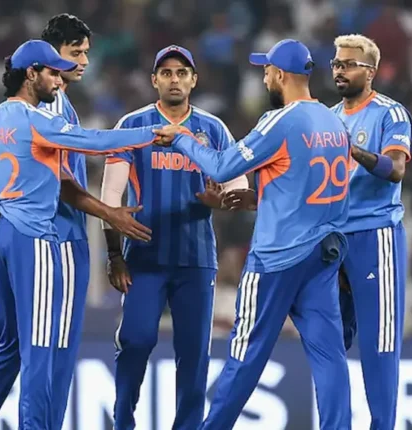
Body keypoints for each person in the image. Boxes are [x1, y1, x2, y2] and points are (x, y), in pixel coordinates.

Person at [0, 39, 164, 430]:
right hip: (33, 235)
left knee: (9, 345)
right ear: (30, 74)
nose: (59, 80)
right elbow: (92, 141)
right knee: (40, 346)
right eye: (51, 72)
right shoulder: (35, 119)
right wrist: (153, 133)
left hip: (0, 233)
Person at [153, 38, 352, 430]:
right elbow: (307, 182)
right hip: (323, 252)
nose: (263, 78)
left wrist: (181, 138)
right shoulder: (334, 122)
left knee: (246, 353)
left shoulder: (281, 120)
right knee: (329, 355)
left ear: (280, 75)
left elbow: (222, 167)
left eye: (266, 71)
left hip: (278, 256)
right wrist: (259, 196)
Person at [100, 44, 248, 430]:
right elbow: (111, 195)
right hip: (143, 257)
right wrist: (114, 255)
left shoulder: (213, 129)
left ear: (193, 80)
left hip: (195, 258)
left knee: (194, 354)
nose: (174, 79)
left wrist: (222, 200)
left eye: (182, 73)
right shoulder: (133, 125)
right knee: (135, 340)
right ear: (154, 80)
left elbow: (240, 186)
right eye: (166, 73)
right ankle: (123, 421)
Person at [328, 34, 412, 430]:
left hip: (375, 234)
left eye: (348, 64)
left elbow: (395, 169)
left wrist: (354, 151)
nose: (339, 70)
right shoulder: (327, 118)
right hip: (332, 239)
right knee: (328, 343)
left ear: (371, 72)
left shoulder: (389, 113)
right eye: (336, 64)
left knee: (379, 345)